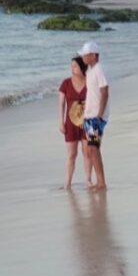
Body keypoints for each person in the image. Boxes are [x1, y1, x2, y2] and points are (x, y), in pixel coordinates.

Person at [79, 42, 109, 190]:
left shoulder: (98, 69)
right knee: (90, 149)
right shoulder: (90, 71)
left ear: (92, 55)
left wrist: (99, 114)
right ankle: (99, 181)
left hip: (97, 116)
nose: (83, 57)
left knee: (94, 148)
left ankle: (101, 181)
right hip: (89, 115)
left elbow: (104, 92)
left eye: (85, 54)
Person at [58, 56, 89, 190]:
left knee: (87, 152)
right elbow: (61, 105)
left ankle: (88, 180)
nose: (72, 68)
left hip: (87, 122)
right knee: (71, 155)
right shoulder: (66, 83)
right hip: (70, 123)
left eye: (75, 66)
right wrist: (61, 121)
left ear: (82, 68)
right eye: (71, 65)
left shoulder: (90, 82)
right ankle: (67, 183)